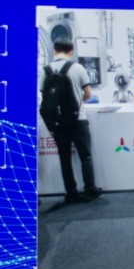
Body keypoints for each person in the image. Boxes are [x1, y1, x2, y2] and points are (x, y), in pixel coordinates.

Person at [39, 37, 102, 204]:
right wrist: (78, 102)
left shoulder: (45, 71)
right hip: (78, 119)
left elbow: (45, 99)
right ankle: (90, 189)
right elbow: (88, 94)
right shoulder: (77, 68)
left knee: (64, 158)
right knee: (85, 156)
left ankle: (71, 192)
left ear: (54, 50)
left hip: (58, 123)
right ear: (71, 51)